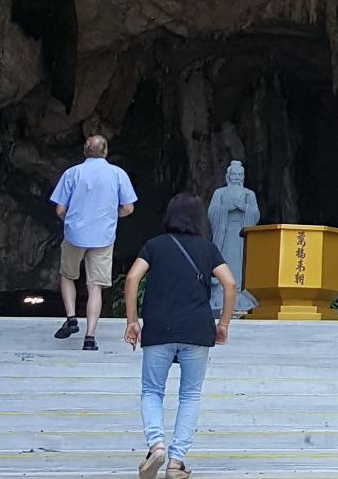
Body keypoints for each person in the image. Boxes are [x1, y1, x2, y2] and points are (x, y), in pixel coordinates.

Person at [125, 193, 237, 479]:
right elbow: (230, 283)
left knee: (152, 390)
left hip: (159, 328)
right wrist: (223, 323)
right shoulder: (207, 249)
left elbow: (132, 278)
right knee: (190, 395)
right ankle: (176, 462)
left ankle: (156, 445)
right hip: (197, 329)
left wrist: (132, 321)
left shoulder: (155, 246)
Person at [49, 134, 137, 350]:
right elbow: (128, 207)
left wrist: (72, 221)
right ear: (105, 152)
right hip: (103, 237)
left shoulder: (72, 173)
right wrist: (109, 215)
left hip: (74, 235)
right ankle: (90, 337)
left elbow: (60, 209)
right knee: (95, 286)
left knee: (67, 275)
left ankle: (71, 317)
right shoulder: (117, 174)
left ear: (85, 151)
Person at [206, 161, 259, 313]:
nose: (237, 177)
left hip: (242, 235)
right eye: (234, 174)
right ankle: (221, 293)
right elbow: (212, 212)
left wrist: (245, 209)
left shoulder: (249, 194)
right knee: (225, 261)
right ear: (228, 176)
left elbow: (255, 214)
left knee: (241, 263)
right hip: (225, 235)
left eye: (239, 175)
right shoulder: (220, 193)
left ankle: (241, 294)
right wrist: (226, 209)